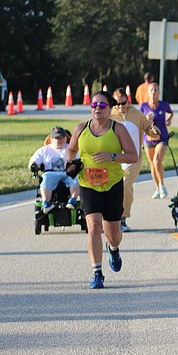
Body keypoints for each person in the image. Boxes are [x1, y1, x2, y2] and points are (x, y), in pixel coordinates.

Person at [65, 91, 138, 289]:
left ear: (109, 108)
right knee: (94, 226)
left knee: (113, 233)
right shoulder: (81, 128)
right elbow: (71, 149)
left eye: (102, 105)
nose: (97, 108)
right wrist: (70, 162)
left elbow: (133, 156)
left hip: (113, 184)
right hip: (88, 184)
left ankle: (113, 248)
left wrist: (112, 156)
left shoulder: (118, 129)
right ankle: (97, 272)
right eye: (94, 105)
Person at [110, 87, 160, 232]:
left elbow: (149, 129)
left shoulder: (137, 115)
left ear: (128, 100)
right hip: (113, 159)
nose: (120, 107)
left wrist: (154, 131)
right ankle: (111, 219)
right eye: (116, 104)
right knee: (114, 188)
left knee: (124, 185)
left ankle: (122, 219)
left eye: (123, 103)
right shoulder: (109, 115)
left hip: (133, 159)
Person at [28, 126, 80, 212]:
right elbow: (34, 160)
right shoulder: (44, 150)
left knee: (75, 178)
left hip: (68, 173)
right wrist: (34, 165)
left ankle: (73, 200)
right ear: (51, 139)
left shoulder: (71, 149)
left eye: (62, 138)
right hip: (51, 173)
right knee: (46, 180)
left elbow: (79, 158)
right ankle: (46, 203)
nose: (60, 140)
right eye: (57, 138)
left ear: (66, 138)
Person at [138, 83, 173, 199]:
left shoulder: (164, 105)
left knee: (157, 160)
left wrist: (168, 120)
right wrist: (146, 119)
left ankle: (162, 186)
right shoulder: (143, 107)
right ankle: (157, 188)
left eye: (156, 90)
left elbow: (171, 113)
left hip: (162, 137)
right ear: (148, 93)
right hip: (148, 138)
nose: (153, 92)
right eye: (151, 90)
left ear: (159, 93)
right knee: (152, 164)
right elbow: (138, 121)